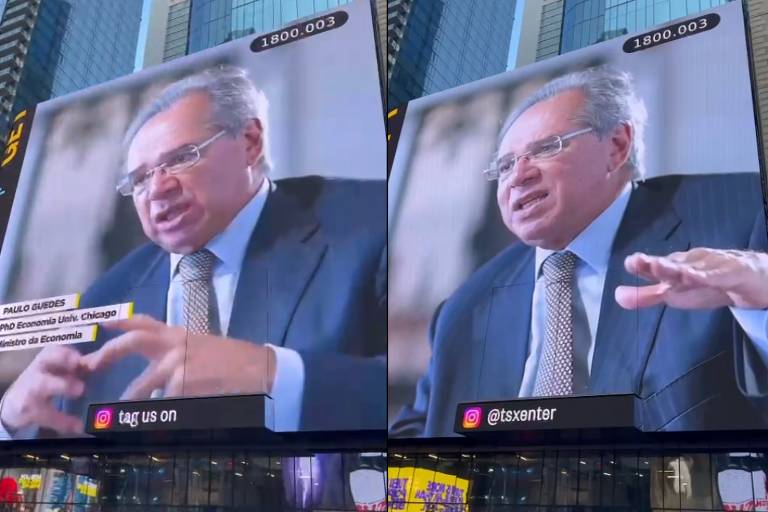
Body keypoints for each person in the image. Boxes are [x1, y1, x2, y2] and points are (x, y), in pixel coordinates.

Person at [0, 65, 386, 438]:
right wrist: (10, 423)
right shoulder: (107, 299)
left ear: (250, 143)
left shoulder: (370, 220)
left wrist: (273, 374)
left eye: (181, 158)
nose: (157, 189)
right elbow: (71, 435)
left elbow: (425, 393)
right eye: (139, 180)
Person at [389, 66, 768, 437]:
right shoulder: (464, 308)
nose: (518, 176)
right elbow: (425, 429)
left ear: (617, 146)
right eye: (504, 166)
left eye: (546, 148)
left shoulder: (739, 215)